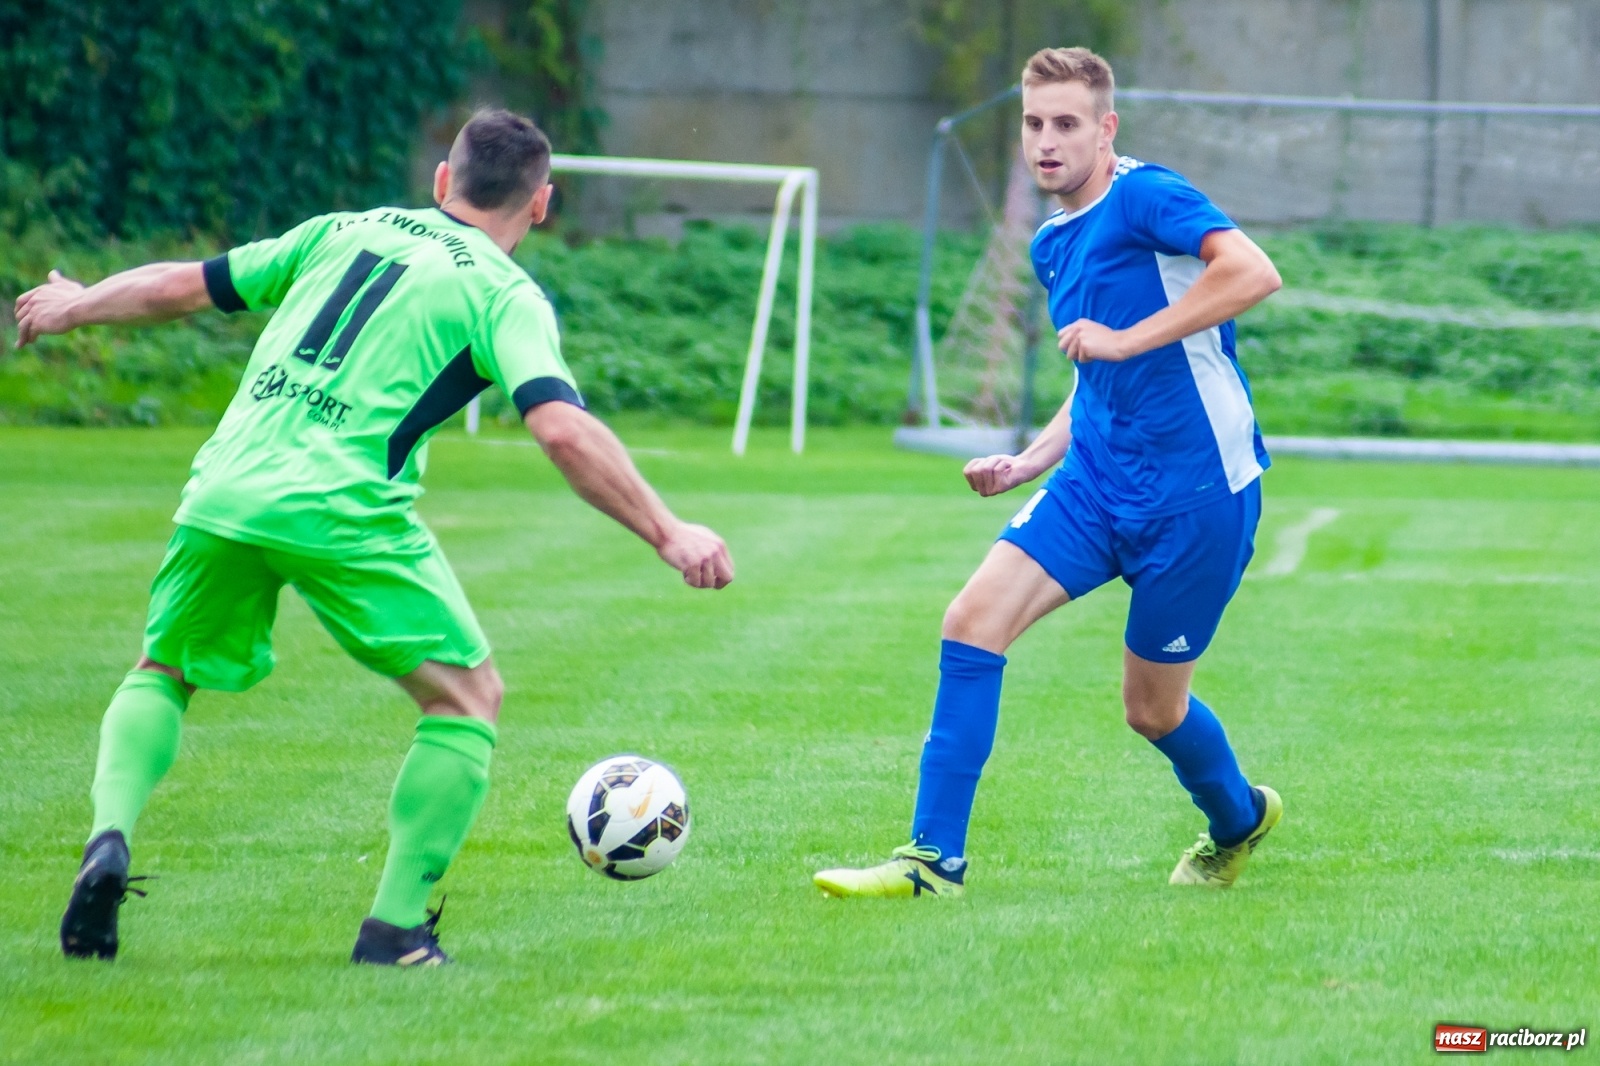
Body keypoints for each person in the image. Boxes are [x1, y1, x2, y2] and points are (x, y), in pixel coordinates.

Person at [14, 109, 735, 963]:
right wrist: (666, 531)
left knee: (163, 669)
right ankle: (394, 930)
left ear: (443, 179)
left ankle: (108, 839)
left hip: (226, 488)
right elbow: (560, 429)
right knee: (466, 700)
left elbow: (183, 286)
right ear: (541, 204)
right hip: (343, 508)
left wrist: (75, 304)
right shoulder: (503, 293)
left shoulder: (342, 230)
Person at [813, 47, 1283, 899]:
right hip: (1095, 483)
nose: (1046, 141)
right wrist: (1031, 458)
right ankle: (933, 862)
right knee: (971, 622)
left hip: (1198, 495)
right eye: (1033, 123)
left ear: (1106, 130)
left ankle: (1239, 818)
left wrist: (1127, 339)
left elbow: (1254, 272)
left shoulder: (1147, 196)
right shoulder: (1051, 242)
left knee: (1153, 710)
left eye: (1067, 123)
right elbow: (1091, 371)